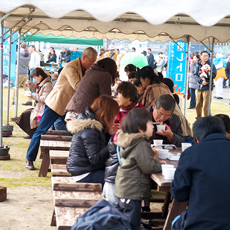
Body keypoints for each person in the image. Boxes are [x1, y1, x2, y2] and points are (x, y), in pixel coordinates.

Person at [25, 47, 98, 170]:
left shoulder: (83, 68)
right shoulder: (71, 67)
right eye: (92, 61)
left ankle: (78, 160)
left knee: (73, 133)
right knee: (41, 131)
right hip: (56, 104)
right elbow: (78, 86)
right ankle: (29, 159)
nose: (92, 64)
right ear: (84, 57)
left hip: (67, 106)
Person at [171, 116, 230, 230]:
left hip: (200, 223)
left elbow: (179, 194)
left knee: (175, 222)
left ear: (197, 139)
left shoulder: (191, 154)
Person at [114, 108, 163, 229]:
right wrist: (161, 166)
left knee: (125, 221)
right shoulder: (141, 143)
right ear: (141, 128)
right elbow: (148, 166)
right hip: (132, 190)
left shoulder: (130, 140)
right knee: (131, 224)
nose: (153, 127)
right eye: (150, 124)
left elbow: (138, 159)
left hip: (125, 188)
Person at [103, 82, 145, 204]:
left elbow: (142, 132)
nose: (116, 96)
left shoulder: (140, 110)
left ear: (128, 97)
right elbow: (112, 126)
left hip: (133, 149)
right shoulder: (115, 108)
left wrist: (125, 128)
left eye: (119, 94)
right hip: (116, 149)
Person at [66, 95, 119, 186]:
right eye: (113, 115)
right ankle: (110, 200)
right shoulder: (90, 129)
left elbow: (99, 147)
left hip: (85, 169)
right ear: (106, 114)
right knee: (121, 180)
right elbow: (96, 158)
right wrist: (113, 143)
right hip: (84, 173)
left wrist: (108, 133)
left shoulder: (93, 125)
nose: (114, 119)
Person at [139, 66, 192, 136]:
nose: (141, 83)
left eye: (141, 80)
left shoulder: (153, 89)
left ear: (146, 79)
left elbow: (156, 111)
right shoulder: (161, 86)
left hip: (173, 123)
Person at [15, 68, 53, 139]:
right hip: (39, 107)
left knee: (26, 114)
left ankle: (32, 133)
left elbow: (44, 98)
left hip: (43, 108)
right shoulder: (43, 83)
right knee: (26, 113)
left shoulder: (47, 85)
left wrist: (32, 95)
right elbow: (38, 91)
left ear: (40, 76)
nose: (35, 80)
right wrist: (31, 85)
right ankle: (31, 133)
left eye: (35, 78)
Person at [194, 51, 217, 118]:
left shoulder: (211, 64)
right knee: (198, 104)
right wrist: (201, 81)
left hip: (207, 87)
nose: (205, 57)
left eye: (207, 56)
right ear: (200, 56)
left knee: (206, 105)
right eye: (204, 56)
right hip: (199, 87)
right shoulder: (198, 64)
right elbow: (195, 75)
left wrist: (206, 75)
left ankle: (207, 120)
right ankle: (198, 119)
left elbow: (214, 74)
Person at [11, 42, 31, 107]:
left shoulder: (18, 53)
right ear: (26, 47)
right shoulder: (29, 54)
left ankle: (13, 100)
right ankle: (30, 100)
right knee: (27, 87)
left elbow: (14, 60)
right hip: (25, 72)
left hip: (19, 72)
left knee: (16, 87)